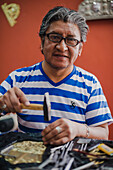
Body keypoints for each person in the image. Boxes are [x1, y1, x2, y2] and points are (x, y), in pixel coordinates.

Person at [0, 6, 112, 145]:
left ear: (80, 49)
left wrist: (78, 129)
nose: (62, 47)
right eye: (54, 37)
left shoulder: (90, 84)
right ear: (42, 42)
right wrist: (1, 105)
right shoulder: (17, 79)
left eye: (71, 40)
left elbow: (103, 133)